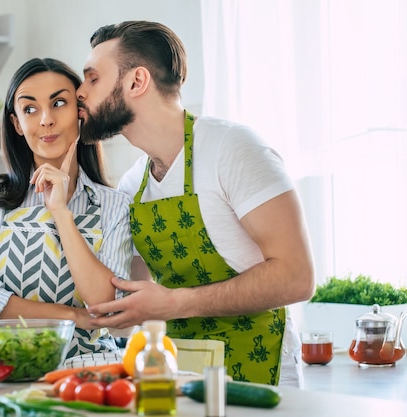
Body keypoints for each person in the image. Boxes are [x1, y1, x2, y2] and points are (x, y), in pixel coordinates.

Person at [76, 21, 315, 386]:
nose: (80, 92)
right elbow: (128, 298)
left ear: (136, 82)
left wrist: (173, 303)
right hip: (180, 379)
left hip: (257, 375)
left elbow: (297, 277)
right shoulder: (133, 184)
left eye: (92, 79)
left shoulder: (233, 149)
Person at [0, 58, 133, 359]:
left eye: (59, 103)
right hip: (10, 373)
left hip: (92, 374)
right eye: (29, 109)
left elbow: (109, 309)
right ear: (16, 124)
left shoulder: (114, 204)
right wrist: (74, 317)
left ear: (81, 112)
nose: (45, 120)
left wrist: (62, 213)